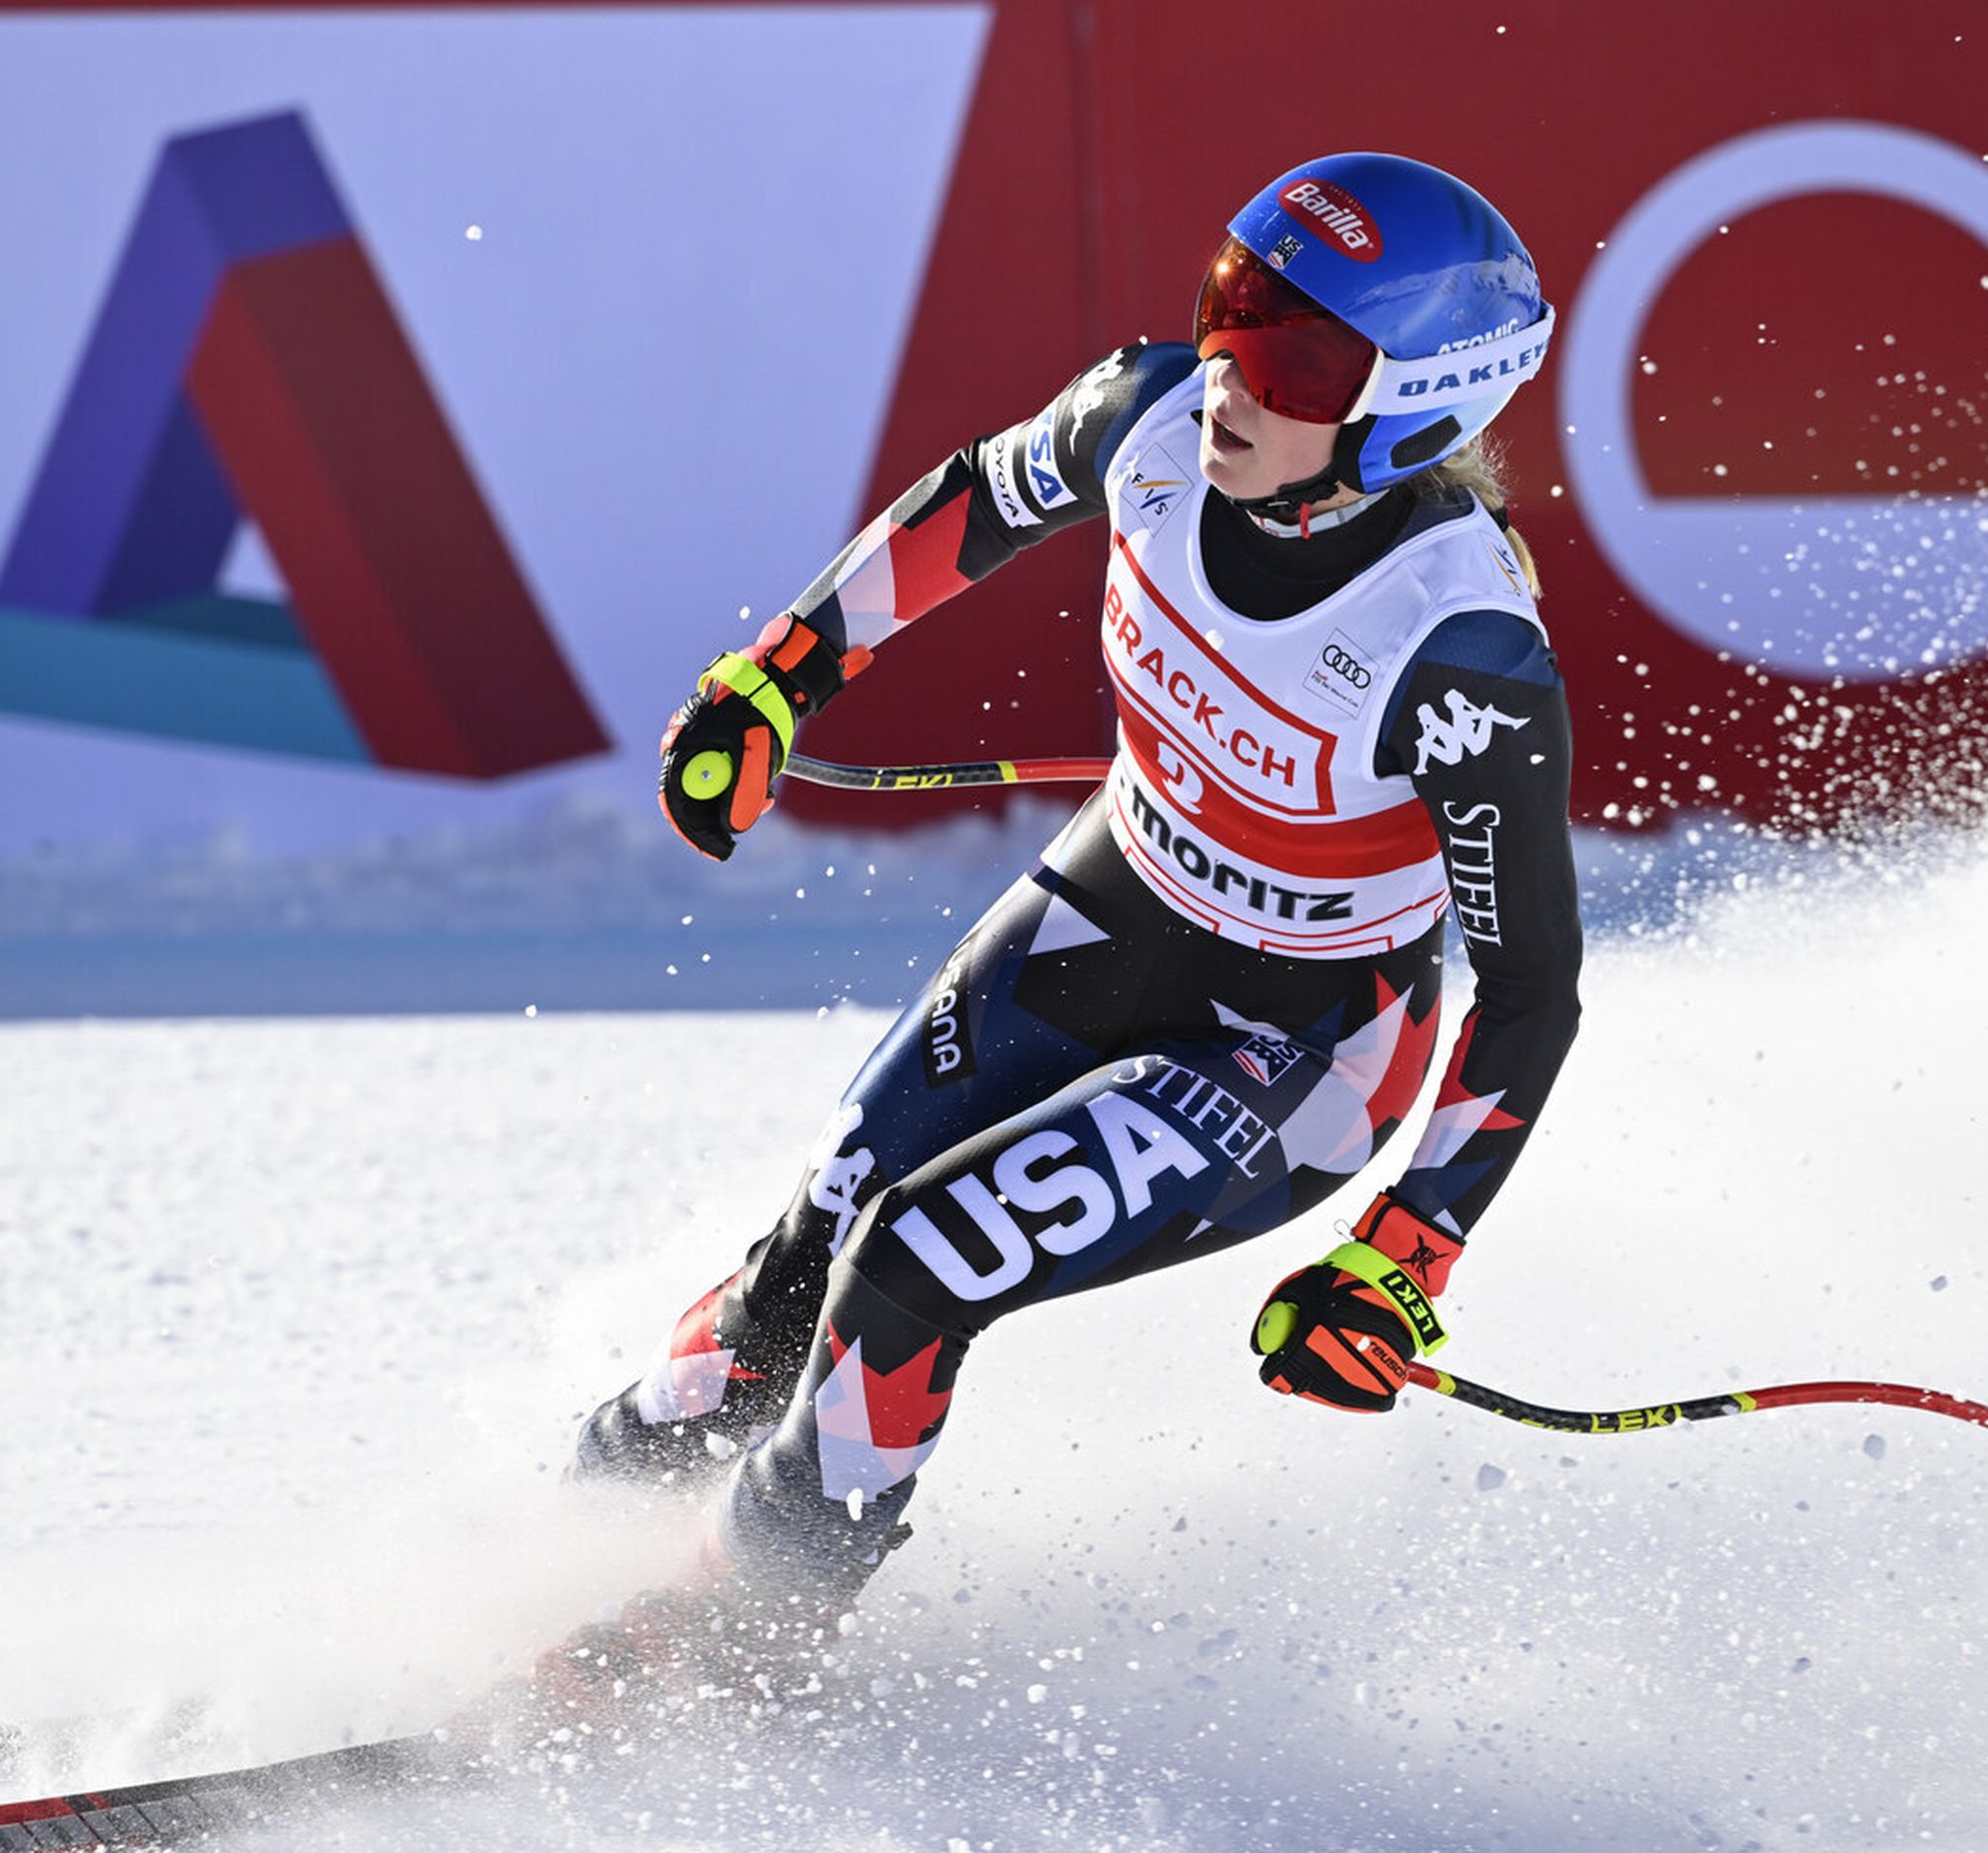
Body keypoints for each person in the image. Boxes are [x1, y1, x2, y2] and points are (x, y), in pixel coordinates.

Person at [563, 151, 1582, 1678]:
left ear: (1416, 406)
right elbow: (972, 505)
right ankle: (563, 1543)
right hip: (1110, 907)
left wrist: (1402, 1258)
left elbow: (1527, 997)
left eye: (1296, 353)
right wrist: (778, 674)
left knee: (913, 1266)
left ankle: (746, 1642)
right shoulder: (1150, 418)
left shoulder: (1459, 650)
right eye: (1232, 305)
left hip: (1294, 1051)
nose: (1231, 372)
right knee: (802, 1261)